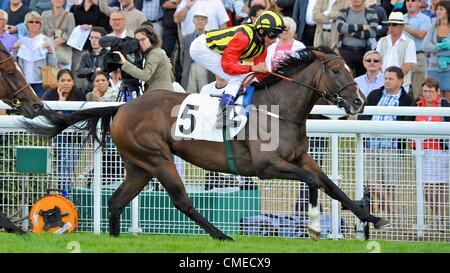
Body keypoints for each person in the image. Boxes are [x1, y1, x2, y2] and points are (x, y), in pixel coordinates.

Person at [189, 10, 285, 128]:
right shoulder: (243, 38)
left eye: (277, 36)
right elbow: (228, 66)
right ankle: (223, 116)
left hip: (213, 49)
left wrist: (274, 80)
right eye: (272, 35)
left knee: (247, 78)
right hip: (201, 48)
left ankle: (232, 110)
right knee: (237, 77)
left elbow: (259, 75)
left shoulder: (262, 47)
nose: (274, 40)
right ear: (261, 31)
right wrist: (252, 67)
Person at [358, 66, 414, 218]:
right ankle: (396, 211)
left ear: (401, 81)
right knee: (372, 182)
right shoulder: (375, 94)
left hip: (392, 147)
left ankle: (388, 216)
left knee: (389, 186)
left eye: (391, 79)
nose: (387, 81)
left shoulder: (407, 100)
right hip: (372, 146)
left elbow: (408, 121)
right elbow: (363, 115)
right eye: (386, 78)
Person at [408, 77, 449, 231]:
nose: (428, 94)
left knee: (441, 185)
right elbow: (407, 122)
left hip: (441, 151)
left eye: (431, 91)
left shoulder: (443, 104)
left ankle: (439, 218)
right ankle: (436, 213)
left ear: (437, 92)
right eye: (425, 91)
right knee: (426, 187)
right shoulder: (417, 104)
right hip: (422, 152)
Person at [41, 69, 86, 197]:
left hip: (74, 138)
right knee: (61, 166)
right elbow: (44, 114)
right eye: (63, 80)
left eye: (69, 80)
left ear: (73, 82)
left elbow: (78, 118)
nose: (66, 83)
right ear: (57, 82)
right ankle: (65, 196)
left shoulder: (78, 93)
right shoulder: (50, 94)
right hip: (56, 137)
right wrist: (60, 103)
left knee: (67, 166)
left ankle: (65, 196)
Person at [12, 11, 57, 98]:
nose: (34, 24)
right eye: (31, 21)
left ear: (40, 25)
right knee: (22, 107)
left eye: (37, 22)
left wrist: (50, 51)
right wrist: (14, 50)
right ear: (26, 24)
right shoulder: (20, 41)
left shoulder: (46, 40)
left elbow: (54, 64)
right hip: (24, 82)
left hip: (41, 82)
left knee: (40, 107)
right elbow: (13, 62)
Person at [115, 25, 174, 92]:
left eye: (143, 39)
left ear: (152, 39)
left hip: (159, 96)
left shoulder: (155, 53)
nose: (140, 43)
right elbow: (172, 78)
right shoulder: (153, 53)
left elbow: (145, 75)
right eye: (137, 41)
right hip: (161, 95)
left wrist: (124, 63)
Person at [376, 12, 417, 93]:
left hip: (401, 83)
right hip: (382, 81)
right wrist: (385, 79)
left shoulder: (409, 42)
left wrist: (395, 80)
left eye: (394, 24)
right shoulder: (382, 40)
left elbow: (407, 66)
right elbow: (377, 60)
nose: (391, 27)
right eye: (389, 24)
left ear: (402, 26)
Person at [336, 0, 379, 77]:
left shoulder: (371, 13)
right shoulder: (343, 12)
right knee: (344, 79)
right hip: (346, 52)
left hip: (364, 53)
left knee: (364, 79)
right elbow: (340, 28)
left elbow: (373, 32)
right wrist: (362, 27)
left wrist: (354, 34)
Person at [403, 0, 432, 98]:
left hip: (417, 56)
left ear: (420, 3)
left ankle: (418, 113)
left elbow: (421, 35)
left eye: (413, 1)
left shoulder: (425, 19)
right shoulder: (401, 17)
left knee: (418, 91)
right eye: (407, 1)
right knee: (401, 89)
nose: (409, 3)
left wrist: (404, 27)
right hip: (402, 56)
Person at [423, 0, 450, 101]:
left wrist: (434, 49)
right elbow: (425, 46)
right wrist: (441, 47)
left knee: (447, 102)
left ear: (448, 11)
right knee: (434, 100)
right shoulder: (434, 25)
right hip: (433, 69)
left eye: (441, 9)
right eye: (437, 9)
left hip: (449, 70)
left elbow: (430, 48)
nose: (438, 11)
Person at [180, 10, 213, 93]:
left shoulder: (210, 38)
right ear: (193, 21)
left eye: (202, 19)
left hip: (205, 68)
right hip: (190, 68)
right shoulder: (186, 38)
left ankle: (204, 106)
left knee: (205, 92)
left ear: (206, 21)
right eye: (197, 19)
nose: (200, 21)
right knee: (190, 94)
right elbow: (182, 57)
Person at [41, 0, 76, 69]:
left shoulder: (69, 16)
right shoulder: (44, 14)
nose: (58, 1)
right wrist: (48, 41)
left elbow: (72, 35)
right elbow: (40, 31)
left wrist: (63, 40)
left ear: (63, 2)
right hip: (47, 52)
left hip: (63, 53)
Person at [75, 26, 108, 93]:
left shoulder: (108, 54)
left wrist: (88, 71)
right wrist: (94, 70)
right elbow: (78, 72)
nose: (93, 40)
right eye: (91, 38)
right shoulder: (85, 55)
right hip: (89, 90)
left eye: (96, 38)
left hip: (106, 90)